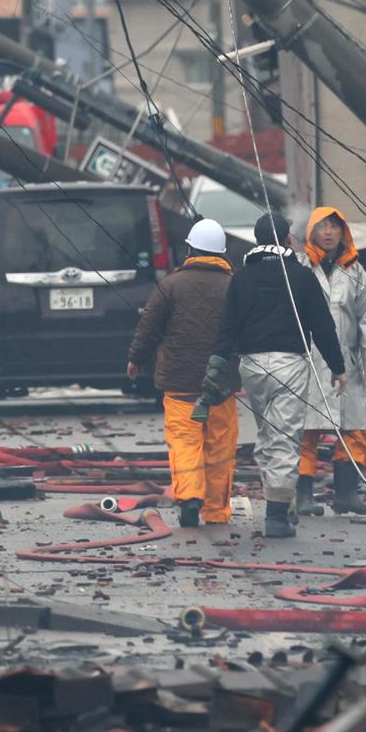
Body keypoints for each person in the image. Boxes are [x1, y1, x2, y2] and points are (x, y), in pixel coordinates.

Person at [202, 212, 346, 538]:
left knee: (268, 436)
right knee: (284, 439)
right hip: (290, 366)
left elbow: (227, 328)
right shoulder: (301, 276)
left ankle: (282, 501)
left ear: (256, 240)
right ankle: (277, 517)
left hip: (251, 367)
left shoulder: (241, 278)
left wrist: (216, 365)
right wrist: (337, 367)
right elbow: (322, 326)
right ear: (287, 240)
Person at [127, 218, 236, 528]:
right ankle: (215, 511)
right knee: (220, 446)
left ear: (189, 249)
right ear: (221, 253)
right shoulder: (234, 285)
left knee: (185, 442)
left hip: (179, 384)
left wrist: (136, 359)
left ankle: (189, 498)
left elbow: (148, 326)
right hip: (222, 386)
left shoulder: (170, 285)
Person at [295, 207, 366, 517]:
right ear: (312, 231)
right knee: (305, 430)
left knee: (355, 429)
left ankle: (346, 494)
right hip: (307, 362)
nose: (329, 232)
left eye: (335, 226)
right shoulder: (299, 267)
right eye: (322, 226)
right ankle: (303, 495)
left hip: (347, 364)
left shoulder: (356, 272)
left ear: (343, 232)